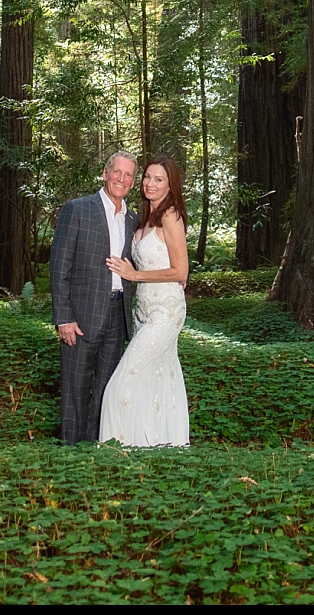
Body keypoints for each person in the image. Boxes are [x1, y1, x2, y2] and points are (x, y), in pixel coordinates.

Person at [98, 156, 190, 447]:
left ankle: (117, 446)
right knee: (156, 379)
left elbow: (181, 271)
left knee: (121, 382)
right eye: (147, 177)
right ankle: (156, 444)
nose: (150, 183)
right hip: (144, 311)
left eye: (159, 179)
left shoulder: (170, 215)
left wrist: (135, 275)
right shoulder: (142, 218)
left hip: (166, 310)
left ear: (171, 185)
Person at [51, 151, 139, 444]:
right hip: (81, 316)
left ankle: (95, 450)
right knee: (75, 389)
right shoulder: (77, 210)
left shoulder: (132, 219)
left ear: (132, 182)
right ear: (105, 173)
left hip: (117, 315)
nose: (122, 179)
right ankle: (70, 453)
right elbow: (59, 267)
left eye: (128, 175)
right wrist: (64, 317)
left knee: (106, 389)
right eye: (117, 172)